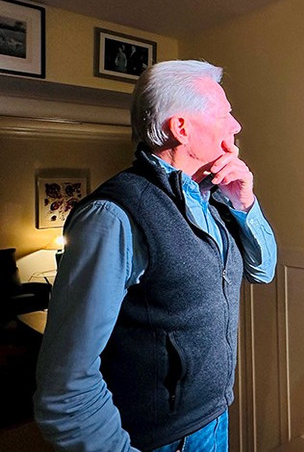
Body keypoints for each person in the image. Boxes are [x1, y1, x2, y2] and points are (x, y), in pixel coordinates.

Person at [34, 60, 277, 452]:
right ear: (181, 128)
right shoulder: (113, 216)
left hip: (214, 417)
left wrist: (244, 203)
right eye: (224, 114)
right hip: (161, 439)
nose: (236, 126)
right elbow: (65, 386)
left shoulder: (215, 196)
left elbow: (262, 270)